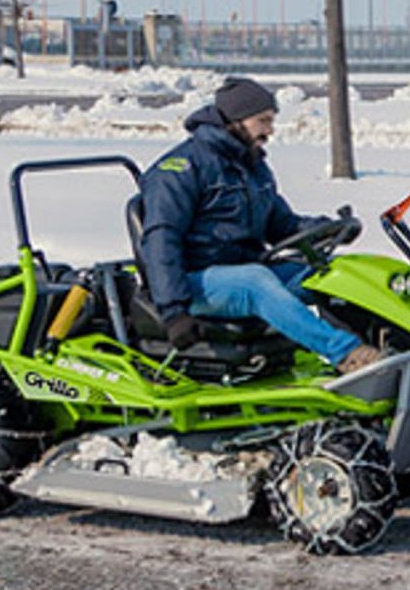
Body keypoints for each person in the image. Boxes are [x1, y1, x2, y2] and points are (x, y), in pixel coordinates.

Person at [138, 76, 382, 373]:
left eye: (271, 121)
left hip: (246, 272)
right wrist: (174, 310)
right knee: (255, 281)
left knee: (333, 272)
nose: (270, 130)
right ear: (235, 120)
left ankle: (389, 343)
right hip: (192, 283)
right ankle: (347, 355)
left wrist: (328, 229)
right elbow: (161, 241)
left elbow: (281, 224)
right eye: (263, 121)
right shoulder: (180, 169)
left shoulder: (251, 165)